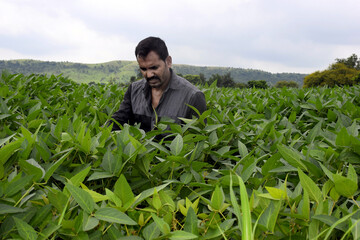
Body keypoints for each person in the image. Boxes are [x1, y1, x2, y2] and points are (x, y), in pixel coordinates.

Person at [109, 36, 207, 132]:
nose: (149, 74)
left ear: (168, 62)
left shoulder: (193, 96)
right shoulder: (134, 90)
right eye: (143, 69)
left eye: (154, 68)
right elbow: (118, 121)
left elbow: (197, 139)